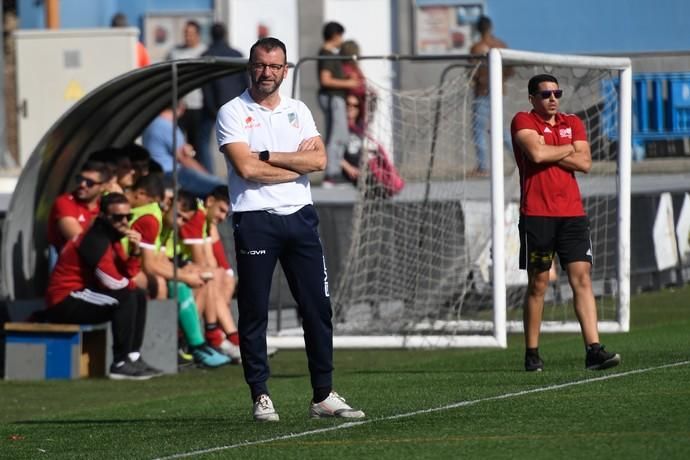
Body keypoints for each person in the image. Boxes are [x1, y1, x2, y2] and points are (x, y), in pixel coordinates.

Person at [216, 37, 365, 421]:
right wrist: (291, 166)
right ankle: (261, 395)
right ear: (250, 67)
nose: (267, 72)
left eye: (274, 66)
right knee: (254, 311)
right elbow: (245, 170)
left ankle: (323, 395)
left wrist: (268, 157)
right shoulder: (232, 112)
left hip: (300, 218)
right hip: (255, 220)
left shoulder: (298, 110)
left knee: (317, 307)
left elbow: (319, 160)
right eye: (261, 65)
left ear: (286, 70)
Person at [511, 73, 621, 372]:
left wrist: (550, 150)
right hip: (537, 215)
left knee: (582, 279)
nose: (553, 99)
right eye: (546, 94)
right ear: (532, 98)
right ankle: (532, 353)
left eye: (556, 93)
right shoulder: (522, 120)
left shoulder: (571, 122)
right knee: (539, 282)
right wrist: (566, 149)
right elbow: (534, 152)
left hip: (572, 214)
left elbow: (585, 163)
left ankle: (593, 350)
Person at [43, 193, 162, 380]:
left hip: (83, 294)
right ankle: (120, 363)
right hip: (65, 300)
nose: (124, 222)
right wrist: (128, 286)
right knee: (127, 296)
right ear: (103, 216)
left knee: (136, 294)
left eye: (128, 217)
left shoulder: (111, 238)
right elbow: (111, 282)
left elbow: (127, 273)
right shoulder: (95, 239)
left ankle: (133, 356)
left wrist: (136, 251)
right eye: (117, 217)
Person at [123, 175, 231, 368]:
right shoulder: (153, 219)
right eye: (179, 215)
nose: (180, 222)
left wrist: (188, 274)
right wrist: (185, 275)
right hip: (123, 267)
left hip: (132, 265)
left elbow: (159, 260)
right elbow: (149, 265)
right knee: (170, 283)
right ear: (169, 203)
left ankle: (193, 342)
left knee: (200, 277)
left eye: (184, 219)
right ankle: (185, 344)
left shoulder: (165, 223)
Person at [142, 104, 225, 198]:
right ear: (181, 107)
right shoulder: (168, 126)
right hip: (172, 174)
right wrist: (207, 176)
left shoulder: (153, 123)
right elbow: (184, 158)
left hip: (161, 173)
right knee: (220, 186)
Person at [200, 22, 248, 175]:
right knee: (242, 141)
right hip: (238, 105)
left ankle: (209, 175)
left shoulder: (206, 56)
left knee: (204, 143)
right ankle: (241, 169)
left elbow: (206, 86)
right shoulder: (237, 55)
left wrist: (212, 108)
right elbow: (246, 82)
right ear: (225, 34)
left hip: (213, 107)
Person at [317, 22, 361, 186]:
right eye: (340, 36)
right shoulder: (327, 54)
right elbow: (325, 79)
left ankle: (334, 171)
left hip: (335, 98)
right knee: (336, 137)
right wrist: (349, 84)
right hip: (333, 98)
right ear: (335, 35)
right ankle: (331, 174)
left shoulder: (328, 54)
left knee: (339, 135)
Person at [469, 15, 512, 177]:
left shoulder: (476, 48)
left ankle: (482, 166)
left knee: (479, 129)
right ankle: (520, 158)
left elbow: (471, 73)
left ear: (478, 30)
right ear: (491, 28)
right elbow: (510, 70)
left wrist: (481, 80)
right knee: (499, 129)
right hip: (499, 92)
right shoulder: (501, 46)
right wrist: (499, 80)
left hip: (482, 93)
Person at [47, 160, 108, 252]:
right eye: (80, 179)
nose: (82, 184)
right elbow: (79, 242)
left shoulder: (105, 206)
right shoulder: (65, 202)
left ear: (103, 187)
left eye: (89, 183)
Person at [168, 20, 207, 158]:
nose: (187, 36)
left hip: (198, 104)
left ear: (198, 35)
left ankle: (198, 171)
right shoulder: (175, 52)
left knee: (197, 143)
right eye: (185, 33)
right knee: (178, 142)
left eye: (190, 33)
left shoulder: (204, 51)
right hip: (179, 105)